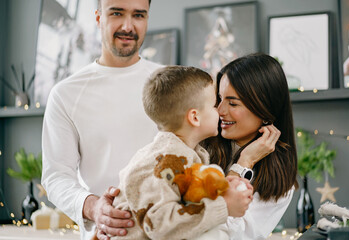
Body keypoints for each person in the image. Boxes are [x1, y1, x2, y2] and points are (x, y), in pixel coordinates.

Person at [41, 0, 163, 239]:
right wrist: (93, 207)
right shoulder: (66, 94)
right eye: (117, 13)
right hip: (106, 235)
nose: (128, 26)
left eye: (139, 15)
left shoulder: (172, 83)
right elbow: (56, 175)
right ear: (98, 18)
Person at [99, 65, 253, 240]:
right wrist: (223, 206)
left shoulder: (186, 153)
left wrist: (219, 187)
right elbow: (160, 225)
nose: (220, 111)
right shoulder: (165, 160)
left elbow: (185, 199)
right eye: (214, 105)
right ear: (194, 117)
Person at [202, 53, 299, 240]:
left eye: (232, 103)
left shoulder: (279, 181)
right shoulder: (201, 144)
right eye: (219, 99)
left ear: (265, 111)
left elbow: (228, 235)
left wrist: (244, 162)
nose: (220, 110)